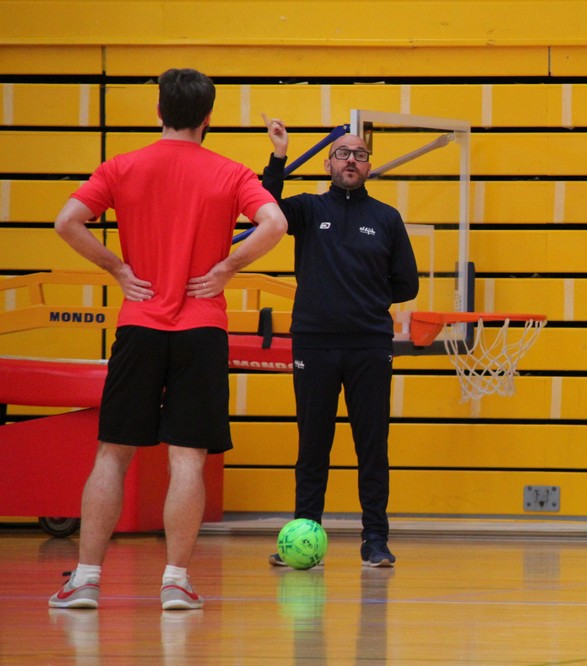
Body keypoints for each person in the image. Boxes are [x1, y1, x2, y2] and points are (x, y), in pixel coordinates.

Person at [49, 68, 288, 610]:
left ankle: (85, 579)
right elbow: (273, 223)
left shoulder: (122, 166)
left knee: (112, 455)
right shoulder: (230, 172)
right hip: (202, 329)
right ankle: (175, 581)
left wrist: (116, 267)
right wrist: (228, 267)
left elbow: (67, 221)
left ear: (159, 111)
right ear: (208, 117)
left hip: (139, 325)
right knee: (187, 460)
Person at [261, 116, 419, 568]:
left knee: (372, 444)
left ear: (369, 166)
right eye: (343, 154)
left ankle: (375, 540)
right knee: (313, 442)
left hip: (369, 345)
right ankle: (302, 534)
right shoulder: (309, 210)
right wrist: (278, 156)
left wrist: (362, 298)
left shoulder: (386, 218)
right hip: (314, 344)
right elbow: (265, 207)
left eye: (361, 155)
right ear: (329, 163)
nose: (352, 160)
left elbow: (406, 284)